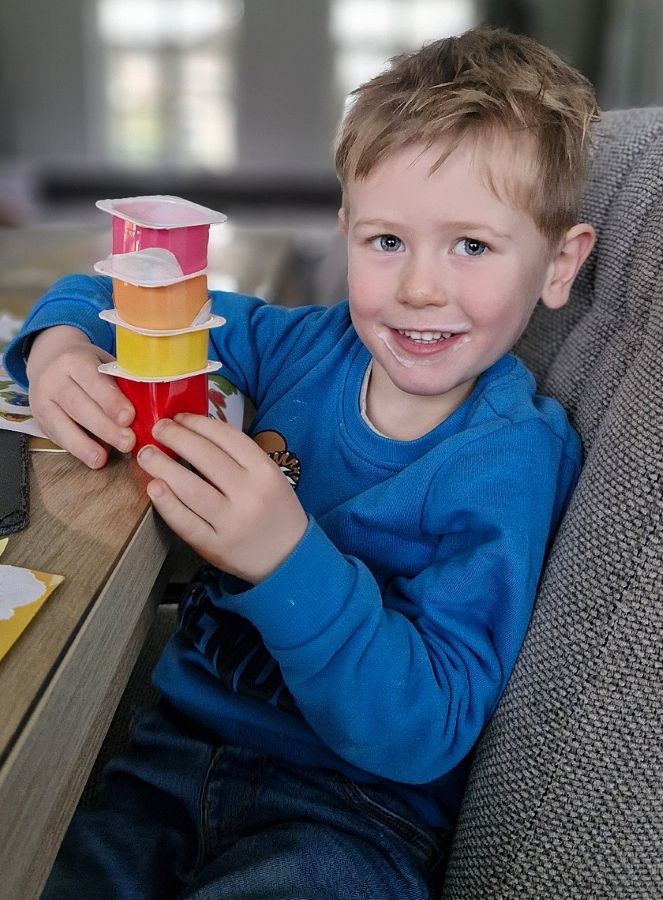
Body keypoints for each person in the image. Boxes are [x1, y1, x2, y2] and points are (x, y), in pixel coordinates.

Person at [4, 25, 598, 900]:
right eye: (386, 241)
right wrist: (59, 346)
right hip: (167, 761)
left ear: (558, 264)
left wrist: (286, 558)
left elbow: (425, 727)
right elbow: (113, 293)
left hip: (354, 817)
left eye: (470, 246)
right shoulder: (302, 346)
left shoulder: (509, 462)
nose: (419, 288)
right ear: (345, 231)